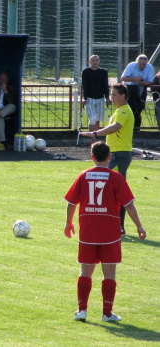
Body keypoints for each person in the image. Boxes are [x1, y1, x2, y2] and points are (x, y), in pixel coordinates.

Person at [64, 141, 146, 323]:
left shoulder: (83, 176)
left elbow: (71, 203)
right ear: (110, 157)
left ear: (91, 157)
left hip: (88, 232)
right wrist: (139, 226)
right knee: (110, 274)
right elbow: (129, 205)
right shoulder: (116, 178)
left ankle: (81, 311)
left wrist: (68, 223)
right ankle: (107, 313)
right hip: (110, 233)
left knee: (85, 272)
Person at [80, 83, 134, 235]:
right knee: (109, 189)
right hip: (115, 155)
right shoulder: (118, 111)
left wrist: (96, 134)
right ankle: (114, 223)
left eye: (115, 94)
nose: (112, 98)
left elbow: (116, 127)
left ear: (123, 96)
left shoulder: (124, 111)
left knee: (118, 191)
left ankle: (119, 226)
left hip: (120, 155)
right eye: (112, 95)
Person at [120, 54, 154, 130]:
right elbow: (123, 78)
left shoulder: (150, 67)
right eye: (140, 64)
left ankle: (137, 128)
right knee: (130, 108)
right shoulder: (131, 66)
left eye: (144, 64)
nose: (142, 66)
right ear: (137, 62)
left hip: (142, 88)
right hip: (130, 88)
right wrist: (135, 79)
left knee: (139, 109)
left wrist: (142, 83)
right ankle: (128, 127)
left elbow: (150, 82)